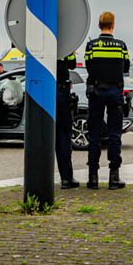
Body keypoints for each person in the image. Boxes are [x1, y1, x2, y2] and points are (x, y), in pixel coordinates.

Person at [84, 11, 130, 190]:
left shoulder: (91, 46)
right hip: (115, 92)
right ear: (113, 25)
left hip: (96, 91)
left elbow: (88, 66)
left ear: (98, 25)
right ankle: (114, 177)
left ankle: (93, 178)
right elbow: (125, 67)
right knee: (114, 135)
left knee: (94, 134)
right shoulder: (121, 46)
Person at [55, 52, 79, 189]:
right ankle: (66, 178)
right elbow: (72, 64)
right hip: (61, 93)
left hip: (42, 93)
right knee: (63, 138)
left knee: (41, 138)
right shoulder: (66, 45)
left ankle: (39, 178)